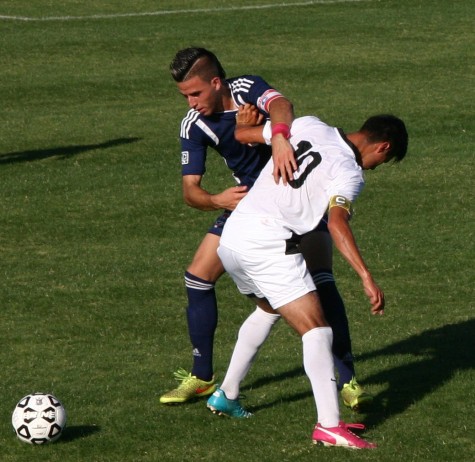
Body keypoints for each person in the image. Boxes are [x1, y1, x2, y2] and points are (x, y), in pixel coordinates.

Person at [160, 47, 371, 410]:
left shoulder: (246, 88)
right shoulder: (193, 126)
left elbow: (282, 105)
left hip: (298, 199)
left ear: (215, 82)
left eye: (195, 93)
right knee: (198, 277)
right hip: (251, 208)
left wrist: (278, 134)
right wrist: (216, 200)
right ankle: (203, 376)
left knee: (321, 281)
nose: (191, 103)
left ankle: (347, 377)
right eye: (185, 96)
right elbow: (190, 191)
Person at [207, 112, 408, 449]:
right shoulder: (349, 172)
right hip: (267, 244)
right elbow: (337, 224)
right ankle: (329, 426)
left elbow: (242, 135)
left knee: (269, 308)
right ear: (383, 146)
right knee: (317, 329)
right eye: (383, 160)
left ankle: (226, 394)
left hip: (231, 239)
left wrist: (268, 132)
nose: (375, 167)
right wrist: (366, 276)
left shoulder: (307, 125)